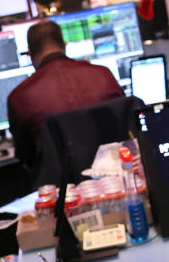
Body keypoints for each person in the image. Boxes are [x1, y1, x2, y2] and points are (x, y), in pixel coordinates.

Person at [7, 21, 124, 177]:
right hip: (114, 180)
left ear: (30, 53)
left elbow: (26, 158)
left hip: (62, 193)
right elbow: (126, 129)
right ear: (64, 45)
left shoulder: (20, 96)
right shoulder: (103, 75)